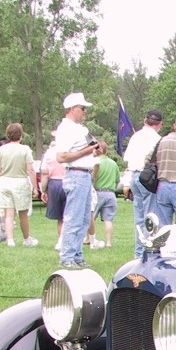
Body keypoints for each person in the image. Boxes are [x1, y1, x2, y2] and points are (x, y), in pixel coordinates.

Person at [54, 91, 105, 269]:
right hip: (75, 174)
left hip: (84, 174)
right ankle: (67, 256)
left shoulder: (80, 130)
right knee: (73, 218)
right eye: (83, 109)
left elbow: (91, 146)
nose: (85, 112)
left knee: (84, 219)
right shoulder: (65, 129)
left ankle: (77, 254)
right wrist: (87, 151)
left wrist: (95, 150)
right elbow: (61, 157)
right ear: (73, 109)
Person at [122, 108, 163, 256]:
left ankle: (139, 252)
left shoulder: (135, 137)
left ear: (145, 121)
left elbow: (127, 159)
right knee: (151, 217)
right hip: (148, 178)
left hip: (134, 176)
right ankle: (147, 251)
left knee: (139, 218)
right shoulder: (157, 139)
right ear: (160, 124)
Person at [0, 122, 39, 247]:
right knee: (23, 213)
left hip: (5, 182)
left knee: (9, 213)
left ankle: (10, 240)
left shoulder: (2, 149)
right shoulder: (25, 150)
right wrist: (35, 187)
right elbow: (30, 170)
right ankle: (26, 239)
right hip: (20, 182)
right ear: (21, 135)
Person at [39, 138, 66, 249]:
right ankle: (63, 240)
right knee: (68, 215)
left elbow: (45, 173)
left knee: (60, 217)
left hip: (54, 183)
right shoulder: (69, 150)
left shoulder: (49, 153)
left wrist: (44, 190)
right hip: (69, 182)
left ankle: (61, 240)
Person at [90, 152, 120, 249]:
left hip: (97, 192)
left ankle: (88, 239)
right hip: (110, 193)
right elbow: (117, 180)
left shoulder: (95, 162)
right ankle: (108, 243)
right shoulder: (113, 163)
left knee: (91, 218)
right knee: (108, 220)